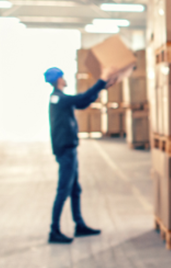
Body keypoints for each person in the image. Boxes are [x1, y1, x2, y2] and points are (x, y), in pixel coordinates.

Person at [44, 65, 118, 244]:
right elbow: (81, 98)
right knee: (64, 190)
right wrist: (102, 80)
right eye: (62, 76)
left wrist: (102, 88)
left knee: (75, 189)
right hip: (66, 150)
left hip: (69, 149)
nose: (64, 78)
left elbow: (83, 103)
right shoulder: (58, 98)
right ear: (59, 79)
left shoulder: (59, 98)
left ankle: (79, 225)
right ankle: (54, 230)